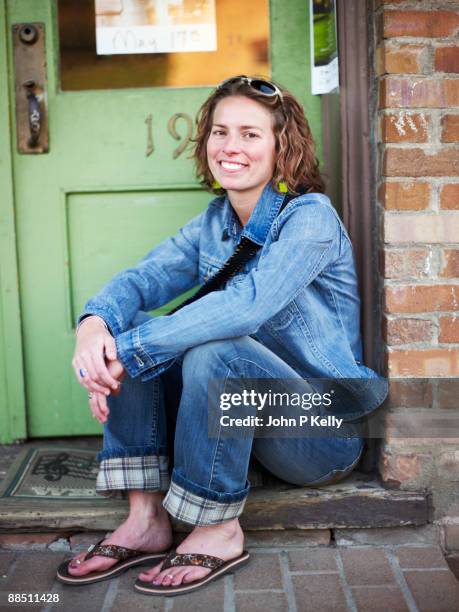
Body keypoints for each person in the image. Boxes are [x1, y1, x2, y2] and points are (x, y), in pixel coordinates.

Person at [56, 76, 388, 596]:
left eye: (251, 134)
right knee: (131, 327)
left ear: (283, 148)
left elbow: (246, 306)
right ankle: (145, 519)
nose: (230, 146)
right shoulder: (215, 222)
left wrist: (131, 350)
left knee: (210, 348)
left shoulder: (311, 220)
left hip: (321, 435)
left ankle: (218, 528)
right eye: (220, 131)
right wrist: (94, 326)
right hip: (250, 429)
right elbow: (144, 279)